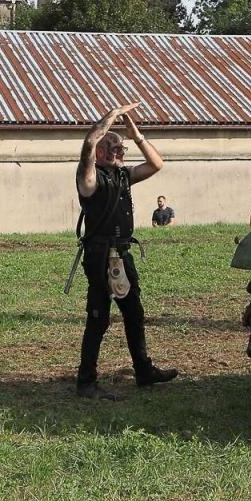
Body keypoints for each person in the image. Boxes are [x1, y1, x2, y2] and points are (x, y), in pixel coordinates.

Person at [73, 102, 178, 399]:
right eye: (115, 148)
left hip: (122, 252)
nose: (121, 152)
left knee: (134, 312)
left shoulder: (122, 176)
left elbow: (157, 164)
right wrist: (111, 117)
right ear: (101, 153)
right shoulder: (89, 178)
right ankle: (86, 382)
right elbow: (89, 142)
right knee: (99, 317)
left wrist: (136, 135)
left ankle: (144, 371)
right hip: (99, 255)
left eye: (122, 149)